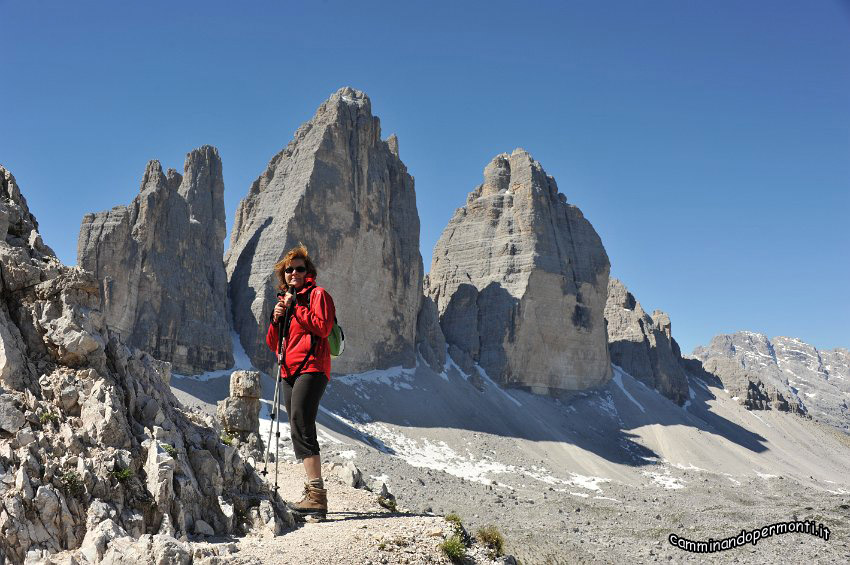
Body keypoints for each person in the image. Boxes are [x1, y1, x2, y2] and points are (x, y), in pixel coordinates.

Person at [266, 244, 336, 517]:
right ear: (283, 275)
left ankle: (317, 495)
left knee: (302, 420)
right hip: (288, 370)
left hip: (313, 366)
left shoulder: (318, 295)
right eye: (289, 269)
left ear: (309, 272)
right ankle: (312, 493)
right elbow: (273, 343)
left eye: (299, 268)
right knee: (297, 424)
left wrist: (297, 309)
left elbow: (323, 326)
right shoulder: (284, 301)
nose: (294, 272)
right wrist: (276, 319)